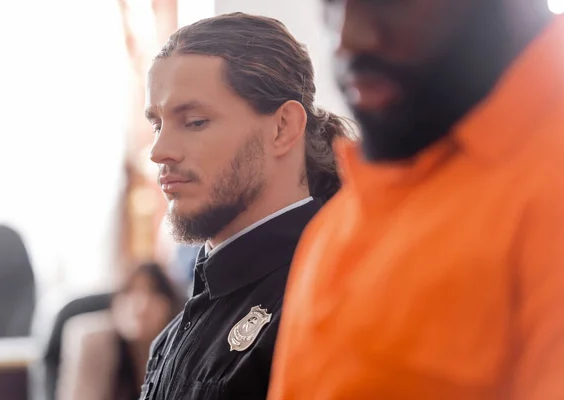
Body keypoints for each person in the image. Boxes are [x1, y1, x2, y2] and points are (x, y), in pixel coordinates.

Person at [269, 0, 564, 399]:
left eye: (387, 4)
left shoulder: (548, 185)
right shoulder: (348, 211)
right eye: (333, 4)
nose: (347, 38)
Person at [141, 12, 353, 400]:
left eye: (195, 121)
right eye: (157, 125)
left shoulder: (331, 305)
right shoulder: (170, 338)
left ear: (282, 128)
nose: (159, 151)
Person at [56, 262, 182, 400]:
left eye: (153, 292)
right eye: (130, 292)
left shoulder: (182, 346)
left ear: (170, 306)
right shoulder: (95, 342)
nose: (141, 305)